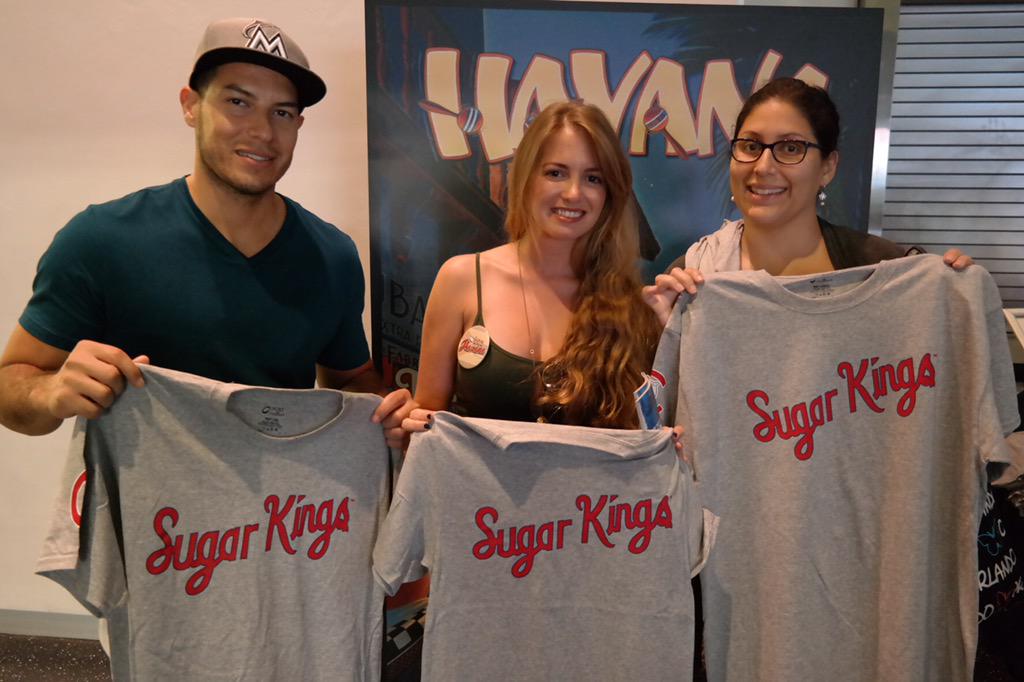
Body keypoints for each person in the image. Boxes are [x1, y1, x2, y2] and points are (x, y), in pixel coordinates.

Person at [0, 17, 411, 444]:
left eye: (282, 112)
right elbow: (11, 389)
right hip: (141, 509)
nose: (262, 131)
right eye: (238, 102)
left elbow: (349, 382)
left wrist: (384, 410)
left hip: (284, 509)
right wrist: (50, 392)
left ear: (297, 126)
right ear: (190, 105)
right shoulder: (100, 240)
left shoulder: (331, 255)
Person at [405, 100, 661, 430]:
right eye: (556, 173)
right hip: (473, 482)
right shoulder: (463, 279)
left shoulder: (633, 305)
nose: (573, 193)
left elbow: (641, 433)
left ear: (610, 193)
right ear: (527, 178)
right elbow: (425, 421)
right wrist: (408, 424)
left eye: (593, 179)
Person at [643, 76, 972, 324]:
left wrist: (954, 291)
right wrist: (658, 332)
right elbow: (661, 403)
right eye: (751, 146)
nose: (763, 166)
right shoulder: (692, 276)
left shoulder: (882, 268)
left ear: (827, 167)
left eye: (790, 148)